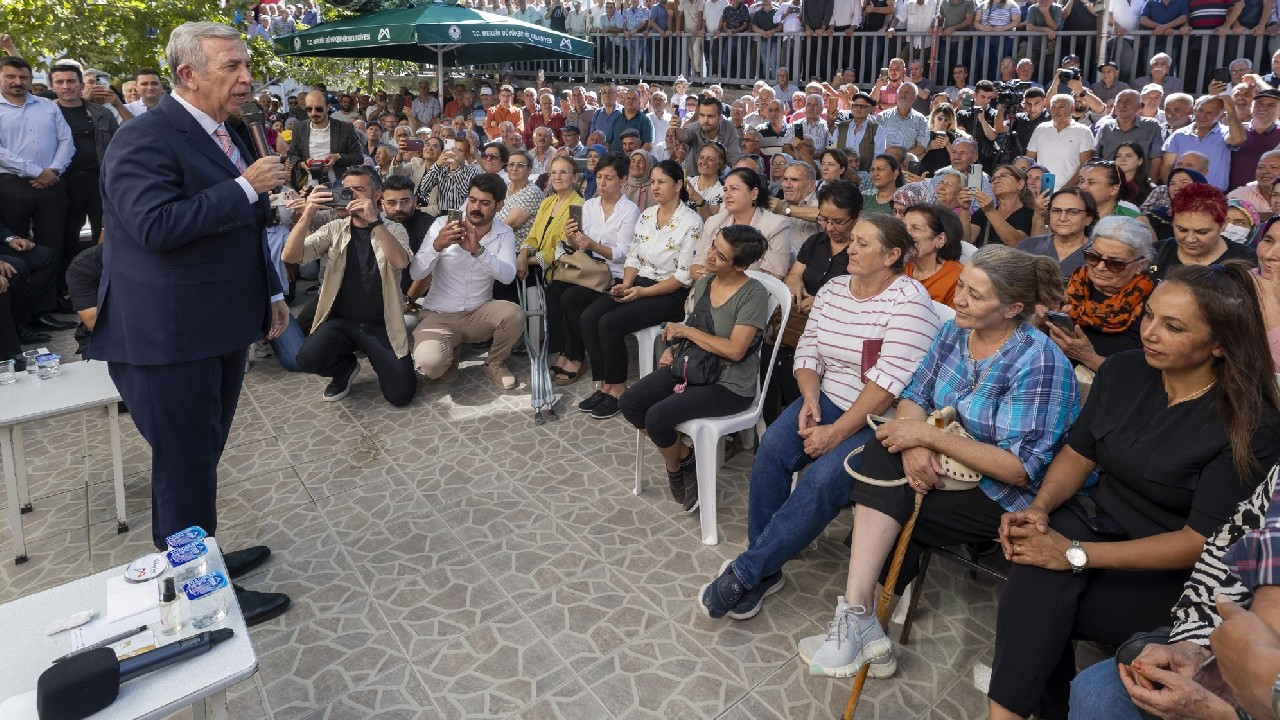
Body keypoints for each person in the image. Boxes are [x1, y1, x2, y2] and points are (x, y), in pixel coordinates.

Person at [988, 261, 1280, 720]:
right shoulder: (1123, 372)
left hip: (1168, 569)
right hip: (1097, 522)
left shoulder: (1249, 425)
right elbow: (1079, 454)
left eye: (1173, 326)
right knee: (1033, 569)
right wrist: (1040, 508)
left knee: (1037, 602)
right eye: (1149, 315)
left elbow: (1197, 542)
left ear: (1220, 344)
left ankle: (1014, 710)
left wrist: (1072, 554)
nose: (1150, 332)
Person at [88, 21, 290, 625]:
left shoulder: (229, 131)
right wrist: (242, 186)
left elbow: (244, 226)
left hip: (218, 325)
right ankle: (200, 592)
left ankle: (202, 558)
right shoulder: (143, 138)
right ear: (188, 75)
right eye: (231, 66)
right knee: (183, 466)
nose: (246, 77)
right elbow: (155, 227)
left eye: (245, 64)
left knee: (199, 456)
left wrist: (271, 292)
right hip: (168, 336)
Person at [801, 244, 1077, 679]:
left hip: (999, 494)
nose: (958, 300)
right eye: (961, 286)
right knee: (883, 453)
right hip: (943, 465)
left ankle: (863, 626)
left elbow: (1017, 469)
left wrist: (926, 436)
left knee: (885, 509)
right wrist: (914, 444)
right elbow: (915, 395)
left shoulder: (1038, 360)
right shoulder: (955, 332)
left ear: (1013, 308)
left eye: (974, 295)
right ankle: (861, 620)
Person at [699, 214, 943, 622]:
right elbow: (809, 349)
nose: (851, 248)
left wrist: (836, 432)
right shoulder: (833, 289)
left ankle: (747, 571)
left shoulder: (910, 300)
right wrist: (810, 398)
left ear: (892, 255)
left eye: (864, 243)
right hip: (826, 398)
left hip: (878, 418)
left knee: (821, 478)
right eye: (854, 241)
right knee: (773, 448)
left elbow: (889, 383)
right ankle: (765, 566)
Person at [619, 224, 770, 512]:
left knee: (658, 416)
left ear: (739, 266)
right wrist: (674, 349)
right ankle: (683, 458)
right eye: (713, 246)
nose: (709, 256)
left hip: (729, 384)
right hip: (693, 367)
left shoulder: (753, 294)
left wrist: (686, 334)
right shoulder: (704, 283)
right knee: (630, 402)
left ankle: (675, 467)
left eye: (720, 256)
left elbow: (736, 351)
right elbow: (693, 326)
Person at [578, 159, 701, 421]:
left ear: (678, 185)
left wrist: (642, 293)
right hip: (640, 282)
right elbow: (633, 258)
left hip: (669, 293)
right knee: (589, 317)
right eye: (653, 182)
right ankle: (605, 385)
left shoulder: (690, 222)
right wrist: (626, 283)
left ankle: (619, 390)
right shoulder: (647, 215)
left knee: (610, 322)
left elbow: (682, 277)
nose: (655, 187)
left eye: (662, 182)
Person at [284, 167, 416, 406]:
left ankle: (377, 360)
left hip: (381, 325)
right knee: (306, 358)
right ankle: (344, 369)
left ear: (376, 196)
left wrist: (374, 222)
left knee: (401, 395)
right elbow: (291, 256)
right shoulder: (336, 228)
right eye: (347, 190)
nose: (351, 196)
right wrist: (307, 213)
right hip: (341, 322)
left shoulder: (394, 229)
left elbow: (400, 262)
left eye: (358, 190)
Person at [409, 173, 525, 389]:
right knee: (430, 367)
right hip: (439, 315)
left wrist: (478, 251)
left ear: (499, 206)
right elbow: (416, 273)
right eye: (472, 200)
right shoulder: (443, 224)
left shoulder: (504, 233)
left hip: (477, 315)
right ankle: (450, 352)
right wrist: (437, 245)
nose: (475, 208)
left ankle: (495, 363)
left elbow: (508, 276)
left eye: (484, 203)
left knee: (513, 314)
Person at [767, 180, 863, 422]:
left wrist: (821, 302)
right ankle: (770, 425)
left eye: (838, 221)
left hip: (837, 329)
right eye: (824, 219)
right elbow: (795, 274)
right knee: (770, 354)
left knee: (791, 362)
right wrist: (795, 281)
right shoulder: (815, 243)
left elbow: (861, 297)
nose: (829, 227)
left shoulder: (862, 252)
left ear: (857, 217)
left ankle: (805, 423)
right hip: (800, 322)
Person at [547, 152, 641, 384]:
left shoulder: (629, 211)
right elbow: (578, 244)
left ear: (623, 180)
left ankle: (576, 356)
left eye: (609, 178)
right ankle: (566, 351)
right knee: (556, 288)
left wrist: (593, 245)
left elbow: (623, 253)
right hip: (592, 270)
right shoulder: (589, 205)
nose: (602, 183)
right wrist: (572, 237)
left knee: (571, 297)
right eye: (599, 177)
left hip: (617, 275)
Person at [1046, 216, 1155, 373]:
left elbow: (1146, 376)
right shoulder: (1073, 286)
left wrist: (1089, 358)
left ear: (1140, 265)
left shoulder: (1153, 305)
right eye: (1094, 257)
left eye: (1116, 263)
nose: (1100, 267)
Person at [691, 167, 791, 281]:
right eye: (725, 190)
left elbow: (772, 277)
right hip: (707, 289)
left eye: (734, 189)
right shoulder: (713, 222)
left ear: (754, 193)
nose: (727, 195)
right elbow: (695, 266)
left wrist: (721, 280)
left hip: (749, 296)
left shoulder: (776, 227)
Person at [1151, 183, 1256, 282]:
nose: (1190, 239)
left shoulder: (1248, 262)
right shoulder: (1153, 254)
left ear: (1223, 225)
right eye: (1182, 230)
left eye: (1201, 232)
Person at [516, 155, 583, 284]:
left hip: (561, 271)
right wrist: (523, 254)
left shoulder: (578, 206)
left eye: (563, 172)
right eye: (553, 172)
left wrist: (529, 261)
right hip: (536, 267)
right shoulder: (547, 202)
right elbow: (533, 236)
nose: (557, 177)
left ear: (575, 178)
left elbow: (566, 248)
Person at [285, 89, 363, 188]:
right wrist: (302, 164)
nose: (313, 113)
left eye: (319, 109)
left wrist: (337, 157)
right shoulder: (299, 128)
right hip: (306, 187)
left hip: (337, 185)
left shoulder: (345, 128)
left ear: (328, 107)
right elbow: (293, 154)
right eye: (309, 109)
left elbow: (358, 157)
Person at [1020, 187, 1100, 280]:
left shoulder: (1098, 254)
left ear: (1088, 219)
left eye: (1073, 212)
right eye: (1056, 211)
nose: (1062, 218)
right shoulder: (1029, 245)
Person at [902, 203, 965, 306]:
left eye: (915, 228)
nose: (905, 234)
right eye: (904, 227)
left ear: (940, 240)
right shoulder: (897, 267)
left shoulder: (958, 279)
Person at [970, 164, 1035, 247]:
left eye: (1003, 176)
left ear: (1020, 184)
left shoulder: (1030, 215)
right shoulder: (983, 211)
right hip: (982, 259)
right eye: (993, 179)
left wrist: (990, 211)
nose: (996, 181)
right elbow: (967, 240)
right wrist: (964, 210)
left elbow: (1016, 242)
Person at [415, 134, 480, 214]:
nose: (454, 152)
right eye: (452, 149)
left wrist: (456, 169)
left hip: (462, 214)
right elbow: (423, 189)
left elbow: (466, 193)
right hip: (442, 214)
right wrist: (437, 164)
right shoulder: (441, 169)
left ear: (466, 155)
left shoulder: (472, 170)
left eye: (459, 150)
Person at [496, 149, 544, 246]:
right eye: (511, 164)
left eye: (520, 165)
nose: (514, 168)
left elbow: (508, 225)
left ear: (529, 169)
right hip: (494, 240)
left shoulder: (532, 192)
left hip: (513, 247)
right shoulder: (505, 186)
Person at [687, 143, 728, 220]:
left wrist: (698, 200)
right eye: (701, 157)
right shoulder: (687, 181)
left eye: (710, 159)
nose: (704, 162)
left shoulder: (723, 192)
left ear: (720, 164)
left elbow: (709, 222)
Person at [1112, 141, 1154, 207]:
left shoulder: (1150, 189)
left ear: (1140, 161)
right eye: (1119, 156)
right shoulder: (1108, 184)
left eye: (1129, 156)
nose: (1123, 160)